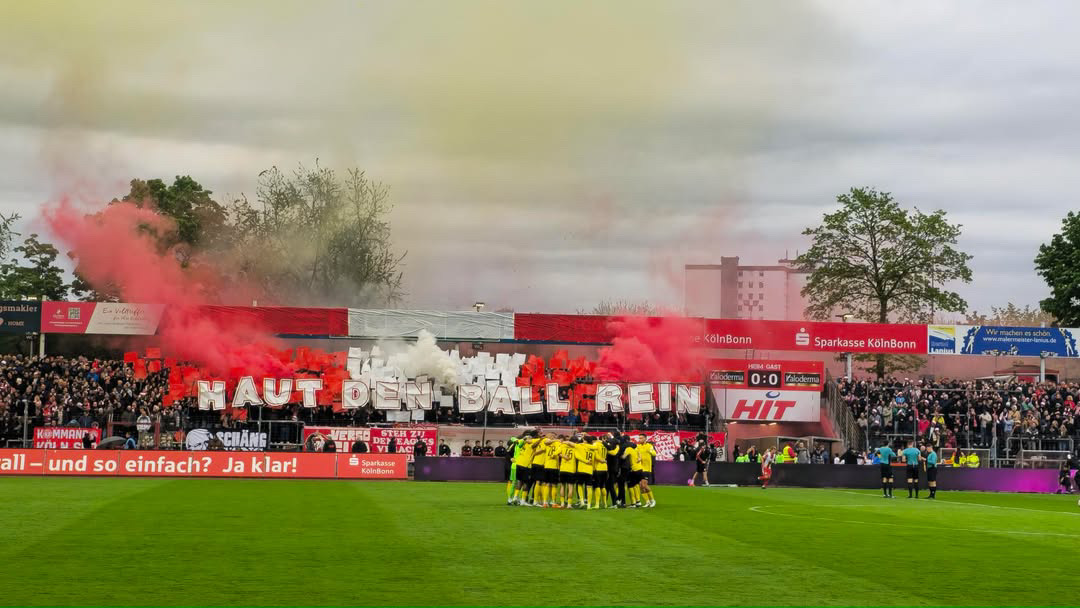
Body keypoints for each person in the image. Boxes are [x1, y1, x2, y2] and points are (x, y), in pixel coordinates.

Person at [635, 434, 658, 508]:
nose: (639, 439)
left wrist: (651, 451)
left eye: (641, 438)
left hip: (647, 469)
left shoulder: (649, 446)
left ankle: (652, 500)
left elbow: (654, 453)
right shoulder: (638, 446)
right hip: (639, 468)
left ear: (645, 439)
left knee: (644, 485)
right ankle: (647, 502)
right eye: (639, 438)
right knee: (641, 486)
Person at [589, 436, 610, 509]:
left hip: (598, 468)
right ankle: (605, 504)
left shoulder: (596, 445)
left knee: (597, 486)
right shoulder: (605, 445)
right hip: (605, 468)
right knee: (603, 486)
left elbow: (596, 456)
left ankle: (597, 504)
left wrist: (601, 460)